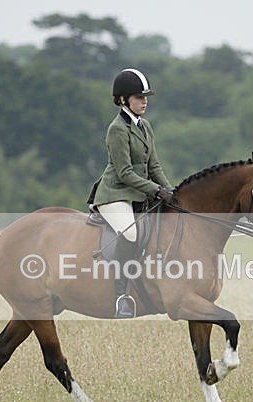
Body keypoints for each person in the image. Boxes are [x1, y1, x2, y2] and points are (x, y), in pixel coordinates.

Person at [88, 68, 175, 318]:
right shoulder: (117, 129)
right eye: (139, 97)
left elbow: (154, 166)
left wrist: (170, 191)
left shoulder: (145, 125)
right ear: (123, 100)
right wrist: (156, 190)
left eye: (146, 97)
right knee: (131, 233)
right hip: (115, 194)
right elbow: (125, 172)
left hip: (139, 193)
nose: (144, 101)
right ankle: (122, 296)